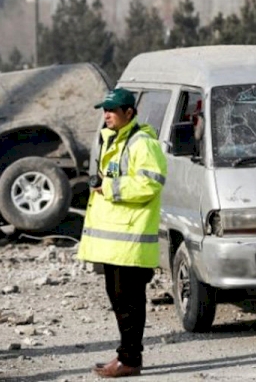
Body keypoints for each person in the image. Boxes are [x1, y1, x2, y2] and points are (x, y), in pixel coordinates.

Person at [77, 88, 167, 378]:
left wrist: (110, 187)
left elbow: (151, 184)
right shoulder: (113, 140)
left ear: (129, 113)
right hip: (115, 241)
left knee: (128, 303)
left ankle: (129, 360)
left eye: (112, 110)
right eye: (104, 110)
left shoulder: (143, 143)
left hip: (130, 239)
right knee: (119, 300)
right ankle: (125, 356)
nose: (107, 115)